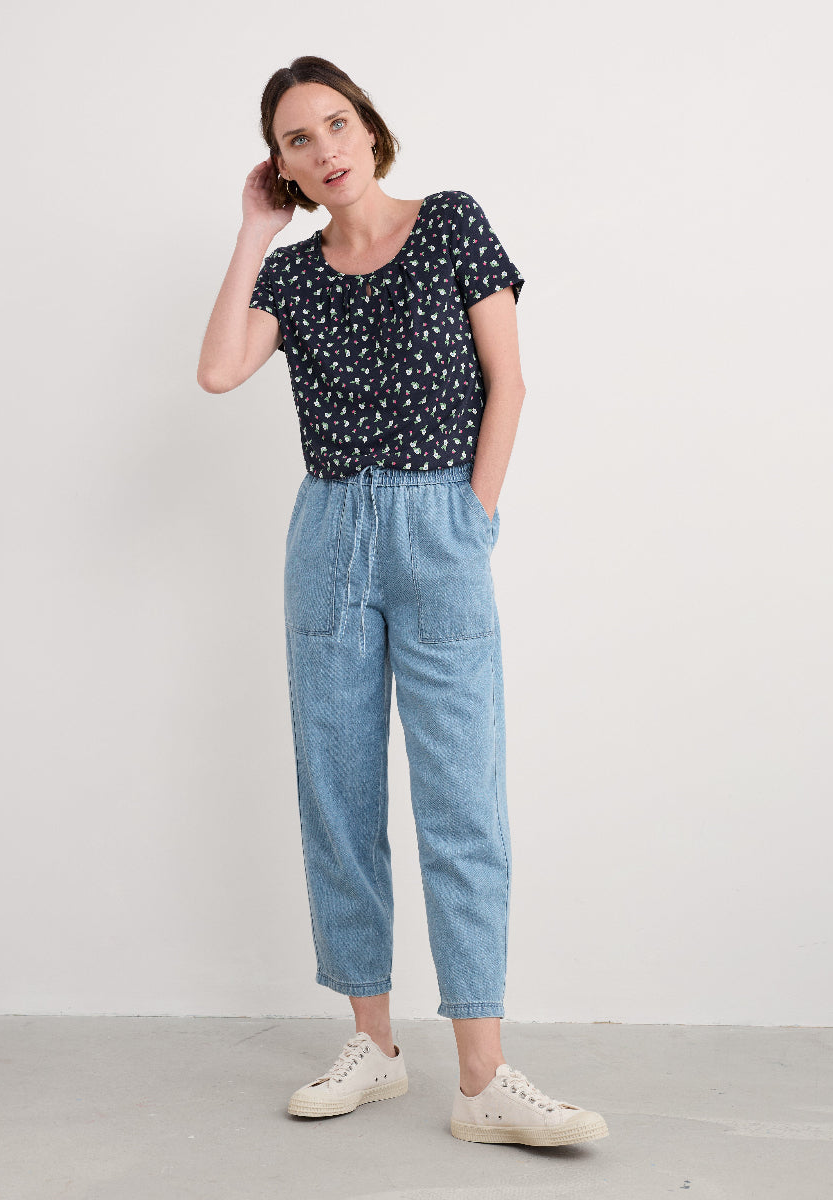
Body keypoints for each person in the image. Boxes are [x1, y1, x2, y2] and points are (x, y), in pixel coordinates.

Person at [197, 55, 608, 1148]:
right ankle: (374, 1046)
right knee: (337, 792)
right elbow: (219, 370)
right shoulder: (290, 273)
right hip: (329, 531)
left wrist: (473, 516)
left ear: (370, 128)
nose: (323, 149)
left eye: (335, 124)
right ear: (280, 166)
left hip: (438, 526)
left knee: (462, 796)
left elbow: (508, 379)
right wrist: (250, 230)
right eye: (296, 140)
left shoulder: (453, 223)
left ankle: (482, 1078)